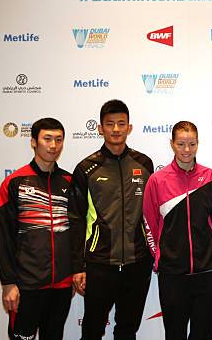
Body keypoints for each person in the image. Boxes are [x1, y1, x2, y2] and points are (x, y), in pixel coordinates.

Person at [69, 99, 154, 340]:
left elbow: (152, 215)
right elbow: (75, 220)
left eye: (121, 124)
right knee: (93, 329)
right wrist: (78, 268)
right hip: (99, 264)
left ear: (129, 127)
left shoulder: (144, 164)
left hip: (137, 263)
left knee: (127, 330)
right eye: (110, 124)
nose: (116, 129)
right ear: (100, 128)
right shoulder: (86, 168)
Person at [143, 121, 212, 340]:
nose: (187, 150)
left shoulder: (211, 178)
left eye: (192, 144)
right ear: (172, 144)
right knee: (175, 334)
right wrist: (160, 257)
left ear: (198, 144)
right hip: (172, 274)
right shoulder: (157, 181)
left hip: (205, 272)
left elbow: (210, 222)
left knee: (203, 334)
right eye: (181, 144)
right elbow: (149, 224)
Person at [0, 117, 73, 340]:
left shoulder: (69, 181)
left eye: (58, 139)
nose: (53, 145)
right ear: (33, 142)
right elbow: (5, 237)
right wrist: (9, 282)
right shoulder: (14, 182)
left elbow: (77, 233)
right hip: (26, 285)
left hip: (62, 284)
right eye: (47, 139)